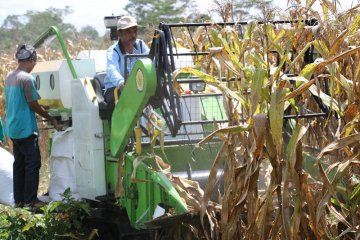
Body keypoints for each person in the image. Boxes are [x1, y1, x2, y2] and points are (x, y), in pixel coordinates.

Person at [4, 44, 60, 208]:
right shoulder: (26, 79)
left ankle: (19, 200)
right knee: (33, 163)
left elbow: (23, 99)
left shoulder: (10, 76)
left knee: (19, 164)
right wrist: (51, 118)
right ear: (31, 60)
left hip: (13, 128)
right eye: (34, 62)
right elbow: (33, 104)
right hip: (25, 128)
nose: (34, 65)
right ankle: (30, 200)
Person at [104, 15, 149, 123]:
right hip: (115, 88)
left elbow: (151, 60)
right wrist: (120, 83)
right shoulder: (113, 51)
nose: (133, 35)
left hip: (136, 86)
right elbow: (112, 69)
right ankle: (116, 136)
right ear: (119, 33)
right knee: (114, 101)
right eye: (129, 32)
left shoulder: (141, 45)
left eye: (135, 31)